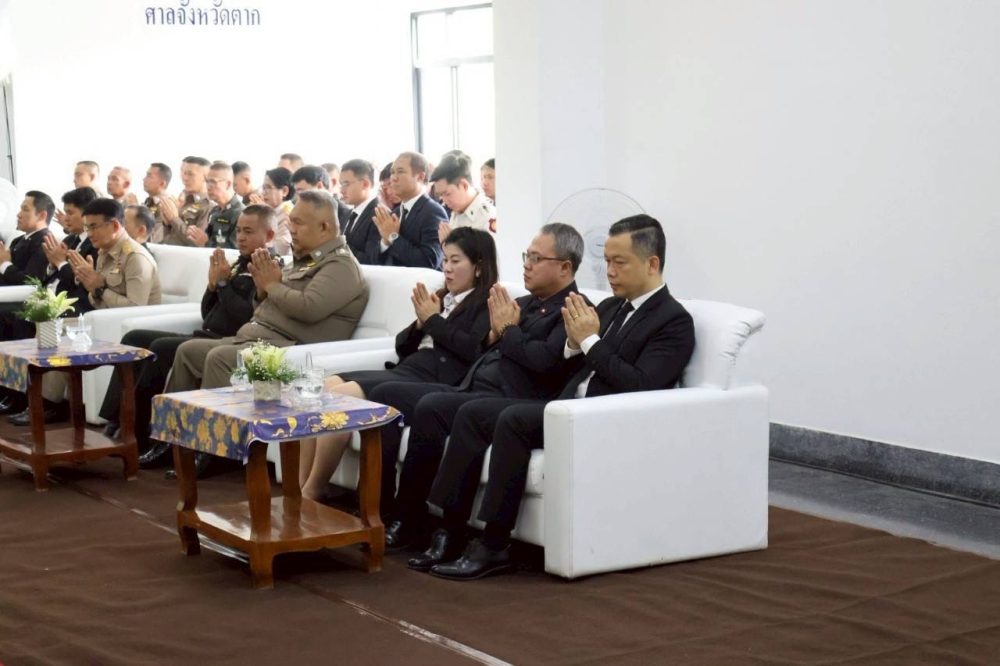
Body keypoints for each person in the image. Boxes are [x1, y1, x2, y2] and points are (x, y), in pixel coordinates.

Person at [422, 215, 697, 579]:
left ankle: (494, 544)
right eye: (607, 261)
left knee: (513, 421)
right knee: (473, 413)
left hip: (603, 417)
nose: (610, 272)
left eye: (620, 262)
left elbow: (640, 384)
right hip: (565, 405)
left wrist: (589, 340)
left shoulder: (673, 321)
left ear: (652, 263)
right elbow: (566, 357)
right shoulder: (610, 307)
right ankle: (451, 528)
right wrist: (573, 343)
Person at [372, 223, 585, 554]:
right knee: (423, 405)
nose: (527, 265)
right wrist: (495, 336)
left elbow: (543, 362)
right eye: (526, 256)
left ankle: (449, 528)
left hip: (513, 397)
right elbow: (488, 348)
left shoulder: (574, 310)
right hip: (476, 384)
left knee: (453, 410)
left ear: (565, 267)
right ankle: (407, 514)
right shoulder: (523, 302)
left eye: (536, 258)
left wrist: (508, 330)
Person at [299, 227, 498, 505]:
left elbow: (472, 351)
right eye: (445, 260)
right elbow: (402, 346)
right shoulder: (441, 297)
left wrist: (433, 321)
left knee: (339, 398)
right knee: (321, 387)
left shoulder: (488, 303)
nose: (447, 268)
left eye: (456, 261)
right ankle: (301, 486)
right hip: (407, 369)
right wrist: (420, 323)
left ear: (478, 267)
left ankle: (312, 491)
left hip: (434, 380)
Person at [100, 205, 277, 465]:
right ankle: (116, 420)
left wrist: (223, 284)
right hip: (205, 333)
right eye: (238, 231)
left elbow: (246, 316)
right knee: (135, 338)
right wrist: (213, 286)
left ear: (269, 236)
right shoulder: (237, 263)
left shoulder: (268, 268)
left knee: (161, 348)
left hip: (226, 341)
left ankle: (144, 435)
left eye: (248, 232)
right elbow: (208, 312)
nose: (240, 237)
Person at [165, 190, 367, 397]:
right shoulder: (304, 260)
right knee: (188, 352)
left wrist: (271, 286)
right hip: (255, 339)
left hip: (292, 350)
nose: (291, 229)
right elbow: (266, 307)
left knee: (220, 358)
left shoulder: (340, 266)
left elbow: (309, 308)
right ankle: (172, 417)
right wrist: (262, 292)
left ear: (324, 227)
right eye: (290, 221)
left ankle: (214, 418)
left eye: (298, 223)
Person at [9, 199, 162, 425]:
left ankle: (49, 405)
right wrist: (90, 285)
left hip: (131, 328)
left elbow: (136, 308)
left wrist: (98, 288)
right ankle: (35, 400)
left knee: (61, 330)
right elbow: (94, 297)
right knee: (50, 325)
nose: (89, 233)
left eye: (93, 226)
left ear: (114, 225)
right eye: (87, 226)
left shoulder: (135, 257)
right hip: (102, 320)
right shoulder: (104, 252)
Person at [373, 152, 447, 269]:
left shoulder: (433, 211)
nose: (393, 178)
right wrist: (385, 242)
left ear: (420, 177)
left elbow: (430, 262)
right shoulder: (395, 213)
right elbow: (376, 261)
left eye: (400, 171)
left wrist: (393, 236)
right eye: (392, 172)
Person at [431, 152, 496, 243]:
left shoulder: (487, 218)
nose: (444, 201)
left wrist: (449, 245)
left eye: (447, 194)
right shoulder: (457, 210)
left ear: (464, 185)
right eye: (441, 195)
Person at [0, 191, 54, 286]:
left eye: (25, 210)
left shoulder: (46, 243)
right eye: (21, 209)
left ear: (42, 215)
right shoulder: (18, 240)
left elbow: (31, 282)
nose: (18, 214)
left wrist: (4, 264)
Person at [186, 162, 245, 249]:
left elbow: (236, 250)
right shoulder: (214, 211)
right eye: (207, 181)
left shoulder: (241, 214)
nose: (208, 187)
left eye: (213, 182)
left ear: (228, 184)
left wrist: (206, 243)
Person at [157, 156, 212, 246]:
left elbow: (196, 243)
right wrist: (167, 223)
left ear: (206, 177)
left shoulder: (208, 205)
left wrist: (174, 219)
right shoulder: (183, 201)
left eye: (190, 174)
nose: (184, 178)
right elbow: (169, 237)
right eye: (182, 172)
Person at [338, 159, 381, 264]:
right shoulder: (347, 214)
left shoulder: (379, 215)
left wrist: (339, 248)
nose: (342, 190)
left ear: (365, 184)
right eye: (341, 184)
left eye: (346, 184)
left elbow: (372, 259)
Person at [252, 167, 294, 255]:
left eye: (268, 188)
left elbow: (281, 248)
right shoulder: (272, 210)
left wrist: (264, 215)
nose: (263, 193)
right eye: (263, 188)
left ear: (284, 191)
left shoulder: (289, 213)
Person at [142, 162, 172, 243]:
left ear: (162, 183)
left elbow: (155, 238)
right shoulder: (148, 201)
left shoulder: (166, 205)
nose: (144, 179)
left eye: (149, 176)